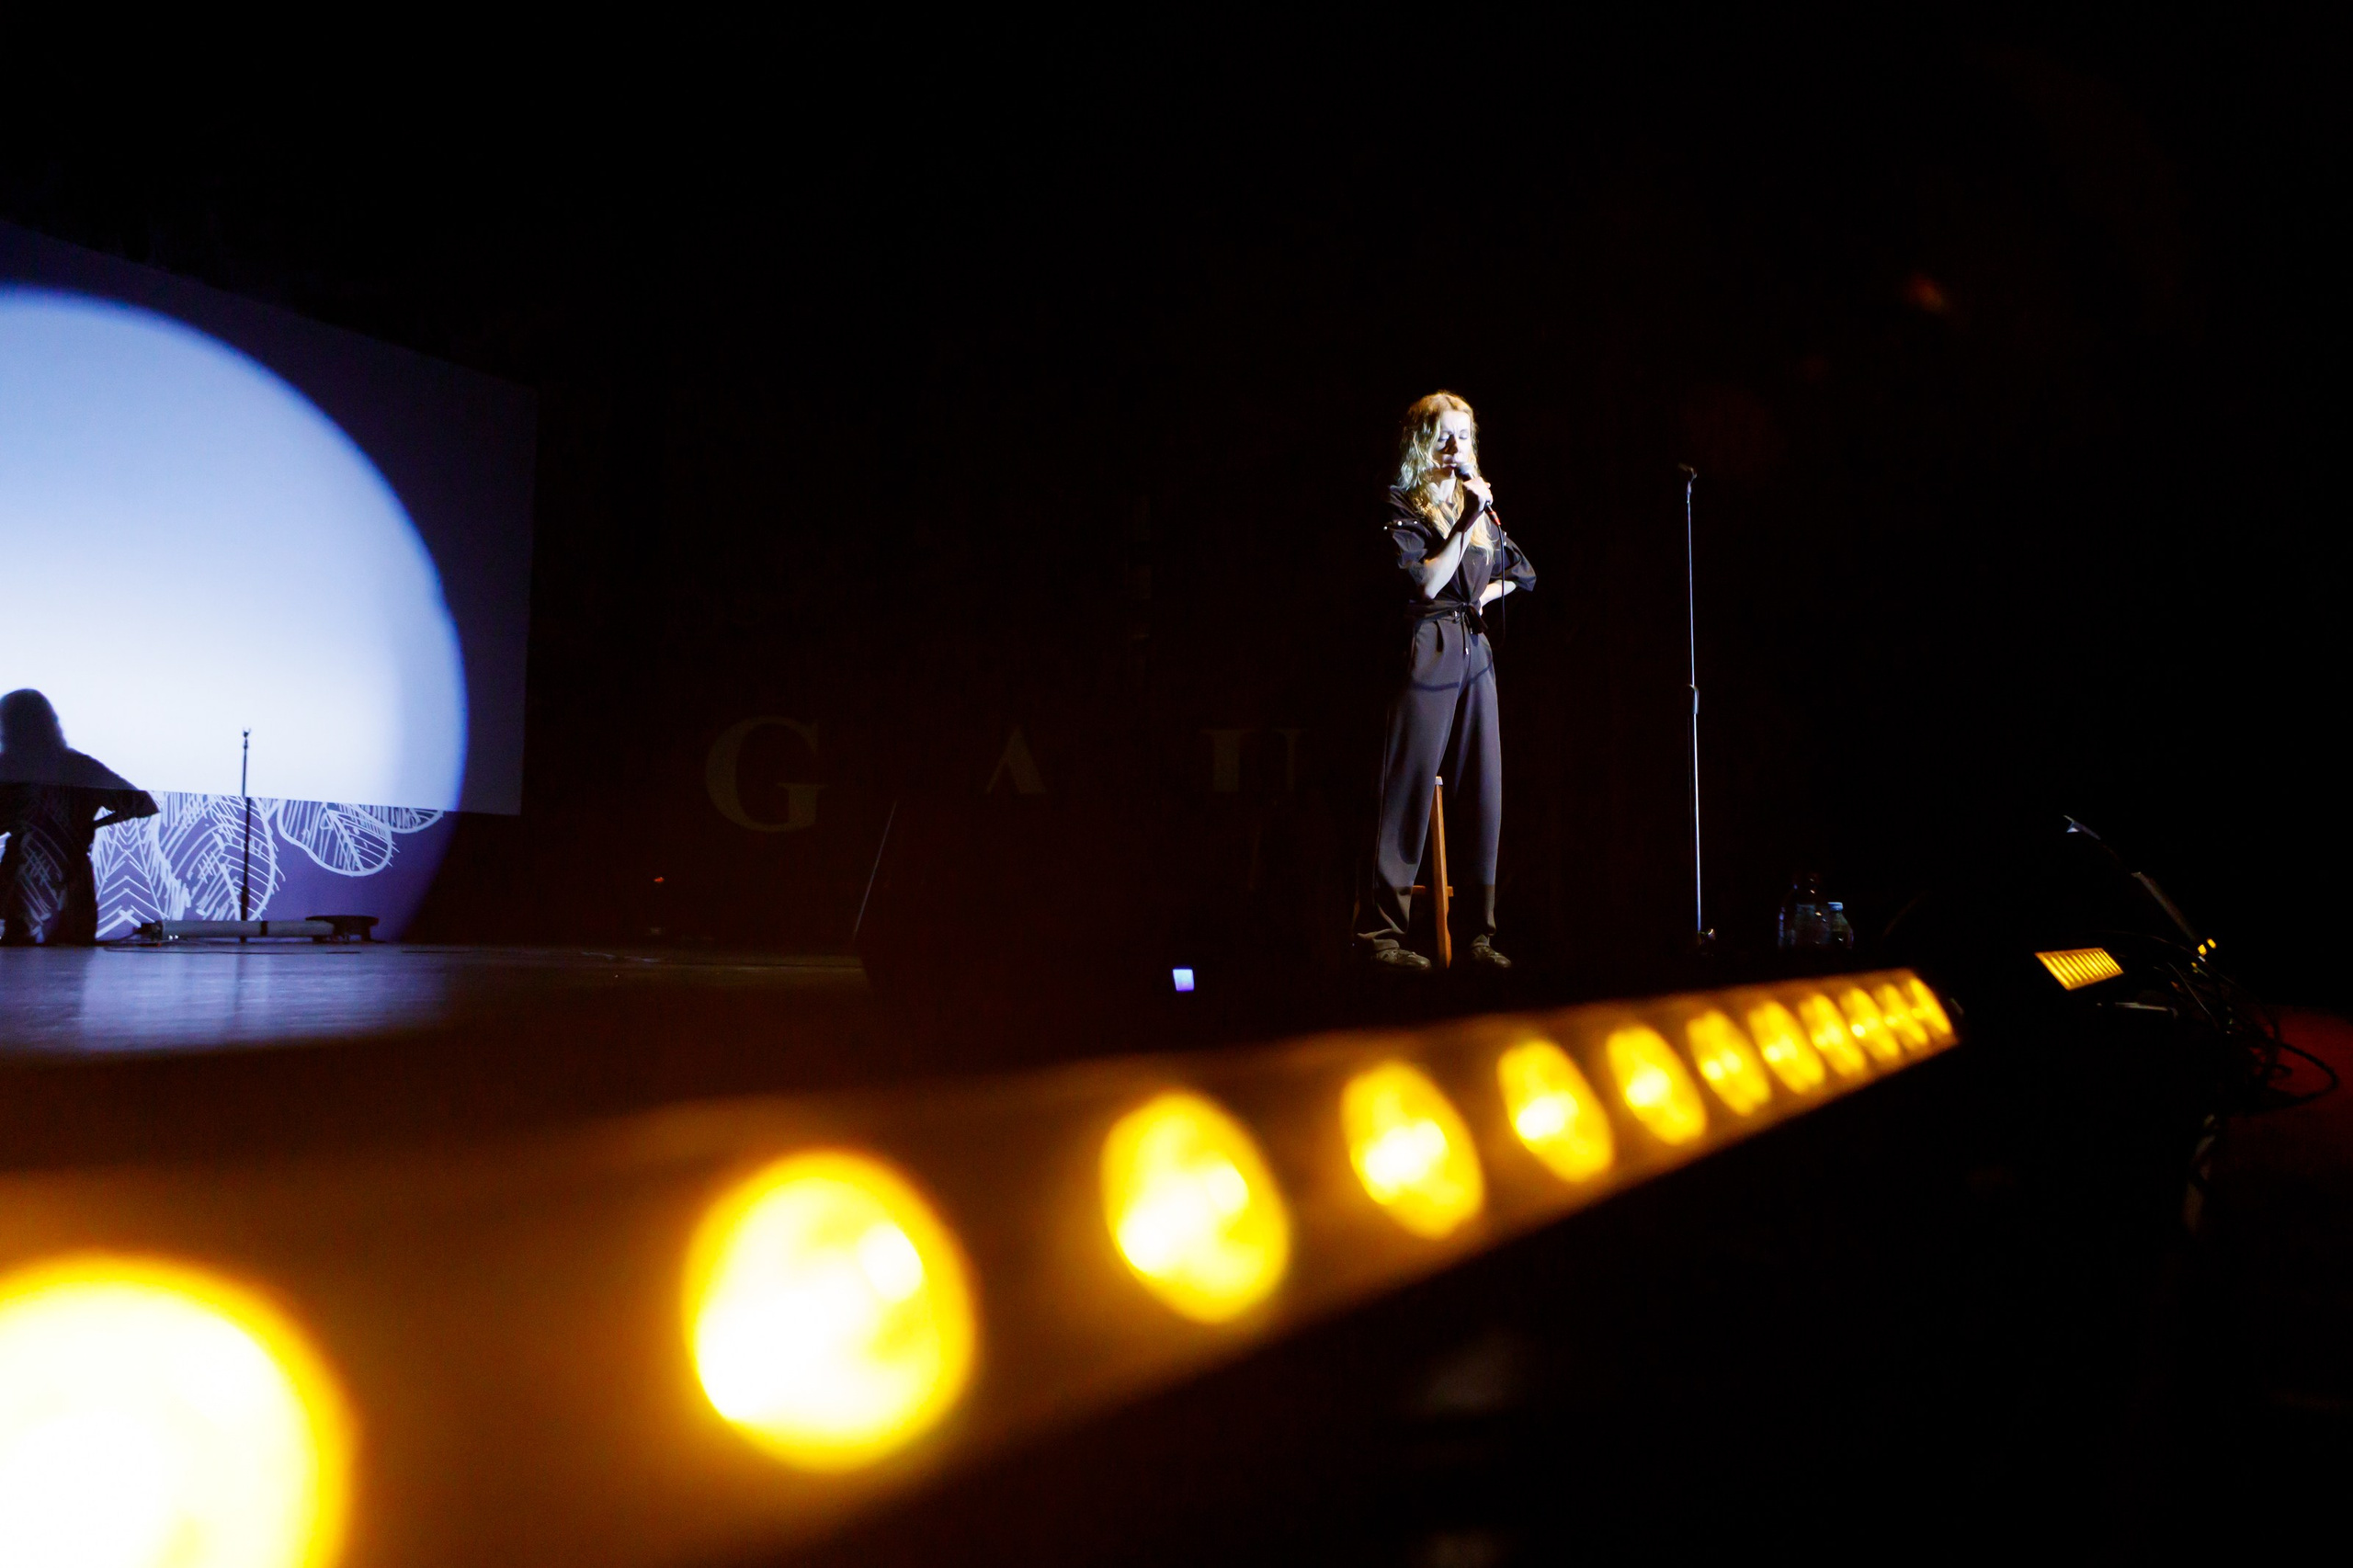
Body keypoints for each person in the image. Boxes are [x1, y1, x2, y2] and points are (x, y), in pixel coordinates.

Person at [1355, 392, 1537, 971]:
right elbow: (1426, 584)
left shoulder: (1475, 509)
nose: (1457, 448)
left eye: (1464, 436)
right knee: (1406, 787)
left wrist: (1480, 596)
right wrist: (1464, 525)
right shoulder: (1402, 504)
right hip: (1426, 645)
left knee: (1484, 789)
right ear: (1421, 444)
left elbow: (1522, 572)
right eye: (1444, 437)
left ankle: (1479, 935)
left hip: (1473, 648)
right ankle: (1382, 935)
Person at [0, 689, 158, 945]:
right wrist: (88, 825)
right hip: (68, 884)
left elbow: (142, 803)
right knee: (69, 968)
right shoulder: (78, 766)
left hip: (28, 886)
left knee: (17, 966)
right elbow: (141, 804)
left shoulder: (9, 767)